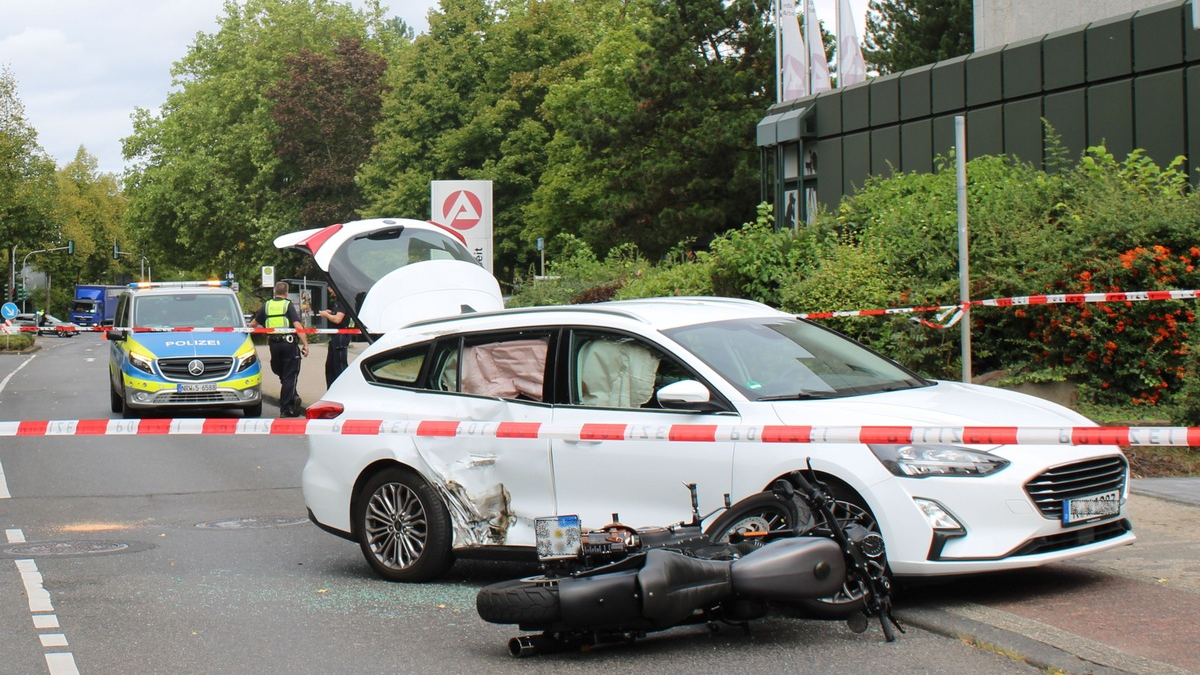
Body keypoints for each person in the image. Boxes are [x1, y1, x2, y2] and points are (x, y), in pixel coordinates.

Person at [250, 281, 309, 417]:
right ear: (286, 293)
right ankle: (286, 408)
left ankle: (292, 396)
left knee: (281, 372)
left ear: (275, 292)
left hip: (273, 345)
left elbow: (253, 324)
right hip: (288, 345)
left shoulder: (267, 305)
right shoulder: (287, 305)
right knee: (290, 375)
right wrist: (305, 344)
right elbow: (297, 326)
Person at [317, 286, 353, 388]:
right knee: (330, 367)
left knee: (339, 366)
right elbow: (337, 315)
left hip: (341, 336)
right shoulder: (338, 301)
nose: (331, 293)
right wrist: (331, 313)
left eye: (331, 290)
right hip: (335, 337)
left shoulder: (343, 301)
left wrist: (327, 315)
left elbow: (338, 319)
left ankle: (343, 390)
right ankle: (332, 390)